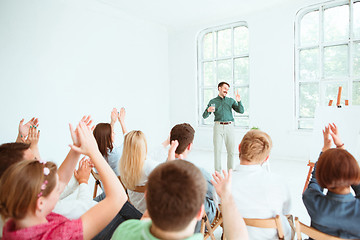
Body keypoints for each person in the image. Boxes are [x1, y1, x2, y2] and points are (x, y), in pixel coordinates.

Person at [0, 119, 128, 240]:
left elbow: (59, 181)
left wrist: (77, 147)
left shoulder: (14, 222)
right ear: (40, 203)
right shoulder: (60, 234)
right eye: (56, 190)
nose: (60, 187)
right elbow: (118, 198)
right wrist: (94, 152)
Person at [112, 160, 207, 240]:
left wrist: (140, 225)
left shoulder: (125, 230)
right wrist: (222, 200)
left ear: (146, 197)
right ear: (200, 212)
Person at [231, 129, 292, 240]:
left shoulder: (223, 183)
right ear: (266, 157)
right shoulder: (277, 182)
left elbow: (222, 211)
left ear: (239, 147)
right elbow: (286, 211)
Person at [303, 123, 360, 239]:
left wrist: (325, 151)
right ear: (354, 174)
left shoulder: (311, 200)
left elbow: (314, 181)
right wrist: (341, 147)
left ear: (321, 176)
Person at [169, 123, 216, 232]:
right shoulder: (199, 172)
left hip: (171, 221)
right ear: (189, 146)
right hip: (195, 224)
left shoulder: (160, 170)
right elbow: (214, 194)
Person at [202, 81, 244, 172]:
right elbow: (204, 116)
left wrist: (239, 101)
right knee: (217, 151)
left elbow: (241, 111)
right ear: (219, 88)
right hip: (218, 127)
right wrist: (208, 110)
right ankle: (218, 172)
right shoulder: (213, 101)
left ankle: (230, 171)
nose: (226, 90)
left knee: (231, 151)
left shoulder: (230, 100)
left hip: (229, 127)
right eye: (225, 88)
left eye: (227, 89)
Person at [119, 130, 161, 213]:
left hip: (135, 207)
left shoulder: (123, 164)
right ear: (143, 147)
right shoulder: (148, 166)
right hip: (150, 211)